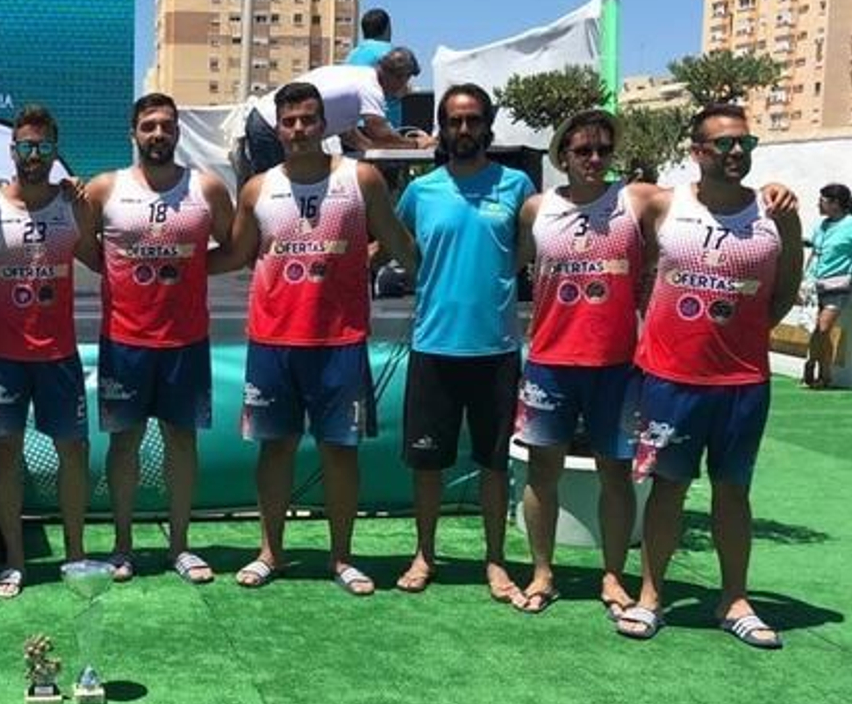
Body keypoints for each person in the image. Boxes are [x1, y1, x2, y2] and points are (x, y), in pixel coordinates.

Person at [215, 81, 418, 592]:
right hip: (273, 340)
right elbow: (236, 254)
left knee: (340, 452)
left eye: (308, 119)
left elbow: (398, 242)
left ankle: (342, 557)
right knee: (274, 449)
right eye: (290, 122)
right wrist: (169, 260)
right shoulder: (258, 188)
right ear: (278, 129)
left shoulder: (360, 178)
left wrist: (438, 278)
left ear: (324, 125)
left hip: (339, 342)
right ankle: (270, 552)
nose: (299, 129)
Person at [617, 105, 801, 648]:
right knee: (668, 489)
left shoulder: (776, 213)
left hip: (743, 382)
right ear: (697, 151)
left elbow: (784, 290)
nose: (737, 152)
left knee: (733, 492)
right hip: (670, 378)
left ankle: (734, 601)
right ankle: (651, 597)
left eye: (745, 142)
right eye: (723, 144)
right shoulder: (664, 205)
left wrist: (741, 335)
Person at [83, 93, 235, 584]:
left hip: (185, 341)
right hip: (123, 340)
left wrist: (192, 269)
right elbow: (83, 245)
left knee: (181, 444)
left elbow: (235, 249)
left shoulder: (206, 188)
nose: (158, 134)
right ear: (133, 132)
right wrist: (116, 270)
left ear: (177, 132)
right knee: (123, 445)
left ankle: (180, 546)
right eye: (148, 126)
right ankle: (122, 546)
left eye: (166, 126)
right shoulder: (105, 188)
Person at [393, 84, 535, 601]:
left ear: (487, 126)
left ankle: (495, 560)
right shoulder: (421, 191)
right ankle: (425, 554)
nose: (464, 129)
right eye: (454, 121)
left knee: (494, 465)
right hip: (434, 346)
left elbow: (526, 249)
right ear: (442, 128)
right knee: (427, 464)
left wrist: (497, 280)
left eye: (473, 119)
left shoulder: (517, 186)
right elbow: (396, 243)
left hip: (496, 349)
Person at [513, 110, 651, 616]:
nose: (594, 159)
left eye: (603, 150)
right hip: (549, 361)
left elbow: (702, 200)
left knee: (616, 473)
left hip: (617, 364)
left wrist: (771, 195)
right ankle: (542, 573)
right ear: (563, 156)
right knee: (541, 472)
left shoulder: (635, 201)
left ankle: (612, 576)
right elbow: (512, 265)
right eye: (583, 150)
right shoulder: (537, 208)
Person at [0, 104, 99, 598]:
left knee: (74, 452)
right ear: (13, 150)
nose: (34, 155)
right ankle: (14, 560)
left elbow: (104, 259)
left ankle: (75, 554)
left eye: (44, 146)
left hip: (58, 356)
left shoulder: (72, 206)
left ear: (54, 151)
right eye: (26, 145)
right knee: (5, 456)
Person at [242, 49, 433, 180]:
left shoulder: (359, 76)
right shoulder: (370, 88)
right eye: (405, 80)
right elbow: (379, 133)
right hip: (271, 126)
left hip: (266, 120)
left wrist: (367, 148)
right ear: (398, 77)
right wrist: (416, 144)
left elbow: (347, 132)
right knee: (273, 193)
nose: (404, 86)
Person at [804, 182, 852, 389]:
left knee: (823, 327)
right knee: (815, 329)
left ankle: (811, 364)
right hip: (814, 285)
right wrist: (804, 278)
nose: (818, 204)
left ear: (835, 203)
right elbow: (815, 253)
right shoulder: (821, 226)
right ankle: (824, 374)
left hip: (839, 285)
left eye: (822, 201)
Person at [344, 8, 403, 129]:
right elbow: (401, 89)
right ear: (387, 28)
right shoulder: (390, 52)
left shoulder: (351, 55)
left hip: (354, 126)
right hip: (383, 124)